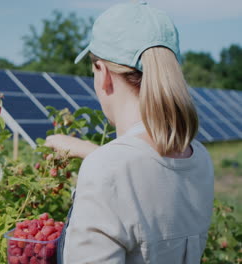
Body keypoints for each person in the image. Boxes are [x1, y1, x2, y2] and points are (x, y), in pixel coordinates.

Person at [45, 2, 214, 263]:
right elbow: (152, 176)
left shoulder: (107, 169)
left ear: (103, 74)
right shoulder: (199, 158)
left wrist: (98, 161)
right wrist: (94, 153)